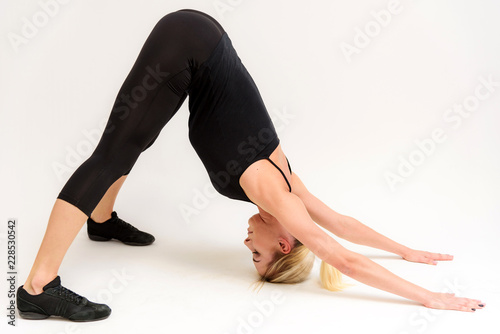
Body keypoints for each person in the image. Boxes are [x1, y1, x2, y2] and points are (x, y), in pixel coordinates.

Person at [17, 9, 485, 322]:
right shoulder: (273, 193)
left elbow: (343, 224)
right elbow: (341, 255)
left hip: (202, 42)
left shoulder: (291, 187)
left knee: (134, 140)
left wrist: (405, 249)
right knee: (112, 153)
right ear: (284, 240)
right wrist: (430, 299)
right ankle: (39, 287)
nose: (246, 244)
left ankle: (100, 221)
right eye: (258, 254)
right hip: (188, 42)